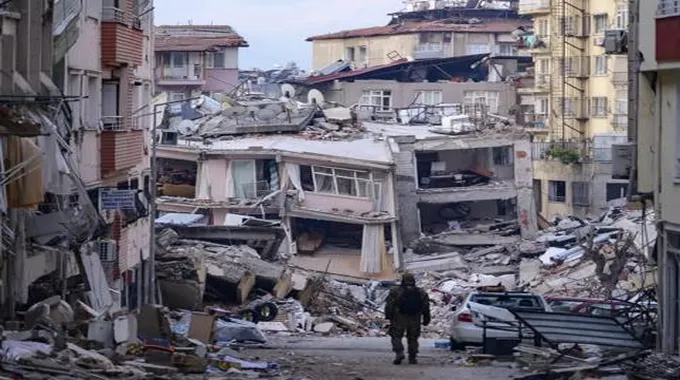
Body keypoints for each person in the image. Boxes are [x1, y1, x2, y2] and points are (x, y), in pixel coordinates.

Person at [384, 272, 431, 365]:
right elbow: (426, 307)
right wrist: (426, 318)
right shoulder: (421, 292)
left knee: (396, 336)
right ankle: (412, 357)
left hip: (399, 318)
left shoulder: (395, 291)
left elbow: (389, 305)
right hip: (415, 318)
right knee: (413, 337)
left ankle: (399, 353)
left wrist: (388, 316)